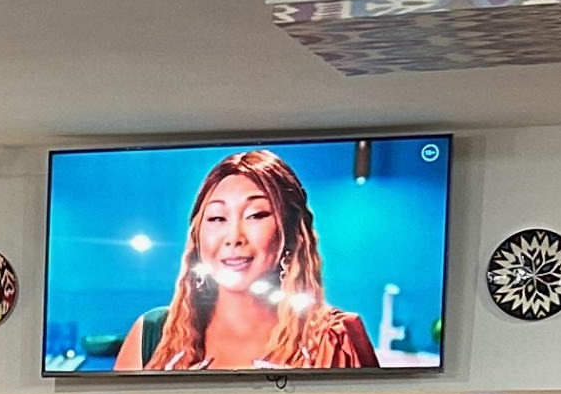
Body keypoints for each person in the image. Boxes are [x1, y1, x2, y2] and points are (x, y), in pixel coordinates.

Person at [109, 150, 375, 373]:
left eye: (256, 215)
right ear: (197, 238)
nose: (234, 237)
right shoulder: (152, 336)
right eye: (216, 218)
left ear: (291, 232)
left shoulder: (335, 338)